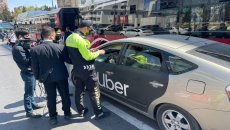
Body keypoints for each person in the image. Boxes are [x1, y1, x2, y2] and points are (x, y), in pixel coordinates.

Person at [30, 27, 72, 125]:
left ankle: (53, 117)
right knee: (65, 95)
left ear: (42, 36)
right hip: (62, 75)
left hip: (47, 77)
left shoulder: (35, 49)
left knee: (51, 97)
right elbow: (68, 60)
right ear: (51, 35)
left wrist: (38, 77)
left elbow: (34, 67)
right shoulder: (60, 47)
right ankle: (67, 113)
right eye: (54, 34)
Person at [66, 20, 106, 119]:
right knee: (94, 92)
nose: (90, 31)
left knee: (79, 91)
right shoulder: (80, 39)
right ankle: (99, 113)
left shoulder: (69, 37)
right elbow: (88, 57)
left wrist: (89, 50)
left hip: (77, 70)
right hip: (88, 71)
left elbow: (76, 53)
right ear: (85, 28)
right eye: (89, 29)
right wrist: (99, 52)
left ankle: (81, 110)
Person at [12, 30, 44, 118]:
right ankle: (29, 111)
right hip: (27, 73)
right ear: (20, 37)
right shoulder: (18, 48)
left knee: (32, 90)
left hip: (31, 72)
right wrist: (32, 50)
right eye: (26, 36)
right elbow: (26, 61)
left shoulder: (22, 46)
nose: (29, 38)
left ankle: (33, 104)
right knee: (29, 93)